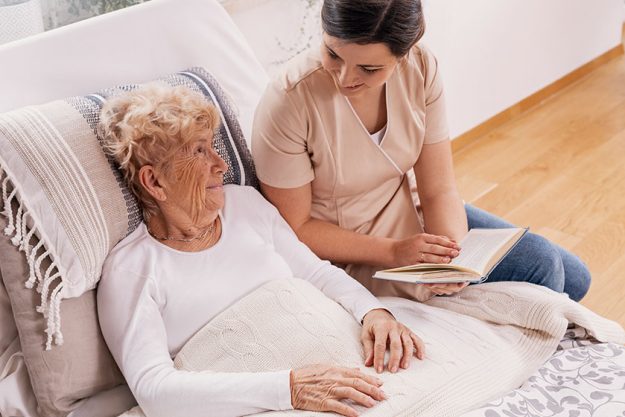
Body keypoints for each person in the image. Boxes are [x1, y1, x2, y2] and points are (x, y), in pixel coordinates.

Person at [96, 83, 426, 417]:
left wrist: (373, 312)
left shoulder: (245, 205)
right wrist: (289, 389)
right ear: (154, 182)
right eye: (198, 151)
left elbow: (316, 273)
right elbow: (156, 391)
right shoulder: (131, 271)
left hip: (355, 373)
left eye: (213, 147)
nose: (220, 164)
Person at [251, 0, 591, 302]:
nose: (344, 78)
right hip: (349, 249)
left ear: (404, 54)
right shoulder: (289, 101)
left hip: (410, 216)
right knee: (543, 265)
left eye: (369, 69)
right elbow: (296, 227)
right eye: (333, 54)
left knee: (575, 278)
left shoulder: (421, 67)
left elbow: (438, 187)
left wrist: (453, 259)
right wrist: (395, 252)